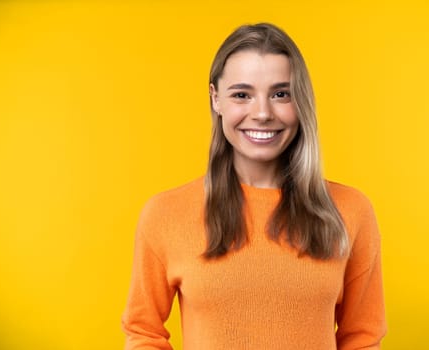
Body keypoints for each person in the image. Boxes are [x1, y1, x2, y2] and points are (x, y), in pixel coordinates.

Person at [122, 22, 386, 349]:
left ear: (301, 101)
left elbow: (362, 338)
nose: (262, 113)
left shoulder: (350, 211)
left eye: (280, 94)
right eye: (242, 95)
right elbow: (143, 332)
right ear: (215, 99)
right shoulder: (164, 214)